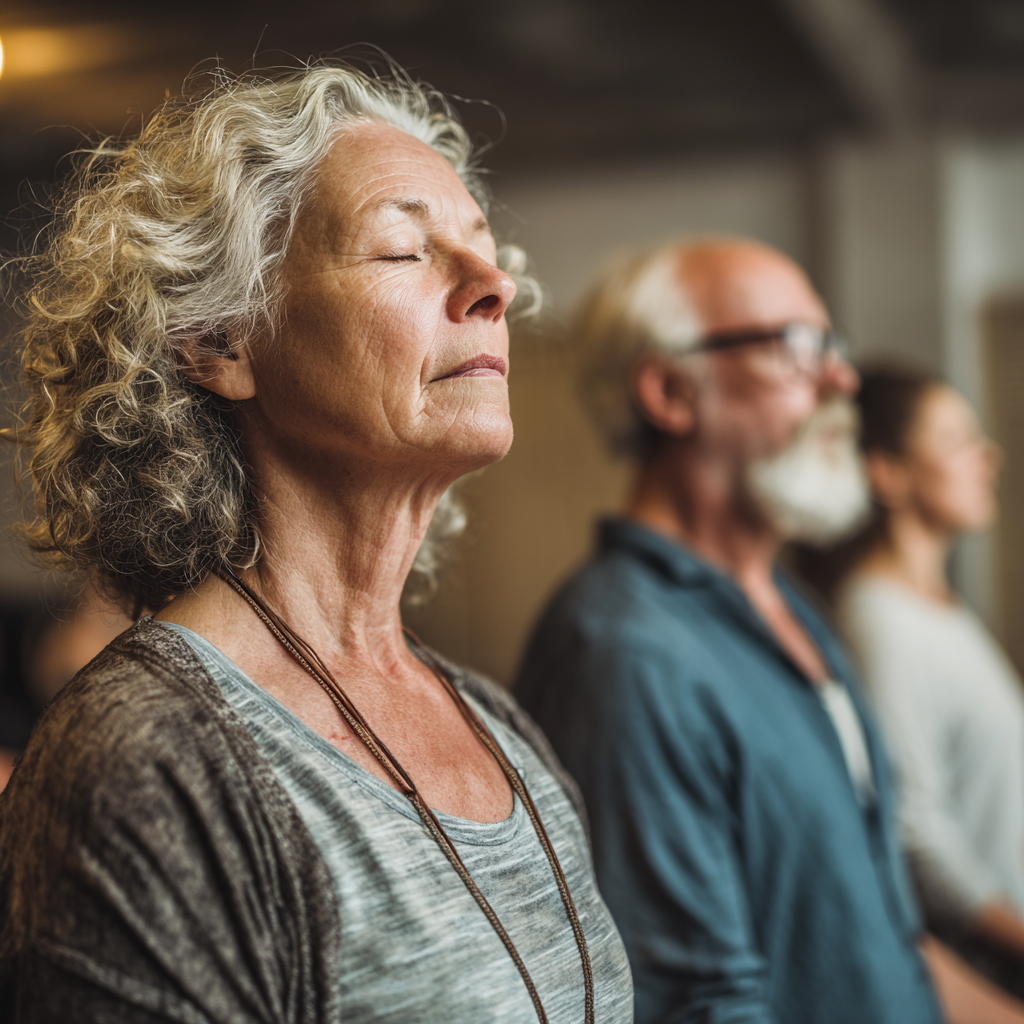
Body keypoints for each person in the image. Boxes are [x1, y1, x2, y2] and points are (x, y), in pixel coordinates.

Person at [0, 64, 632, 1023]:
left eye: (484, 246)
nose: (495, 285)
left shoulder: (498, 724)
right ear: (220, 342)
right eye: (401, 252)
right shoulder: (148, 756)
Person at [514, 238, 1024, 1024]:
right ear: (671, 391)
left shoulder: (792, 606)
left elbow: (883, 938)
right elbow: (695, 1005)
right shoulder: (622, 653)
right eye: (795, 347)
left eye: (834, 346)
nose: (841, 380)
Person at [836, 365, 1024, 998]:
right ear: (886, 471)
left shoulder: (937, 607)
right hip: (989, 973)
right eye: (955, 440)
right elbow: (914, 830)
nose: (987, 456)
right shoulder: (881, 622)